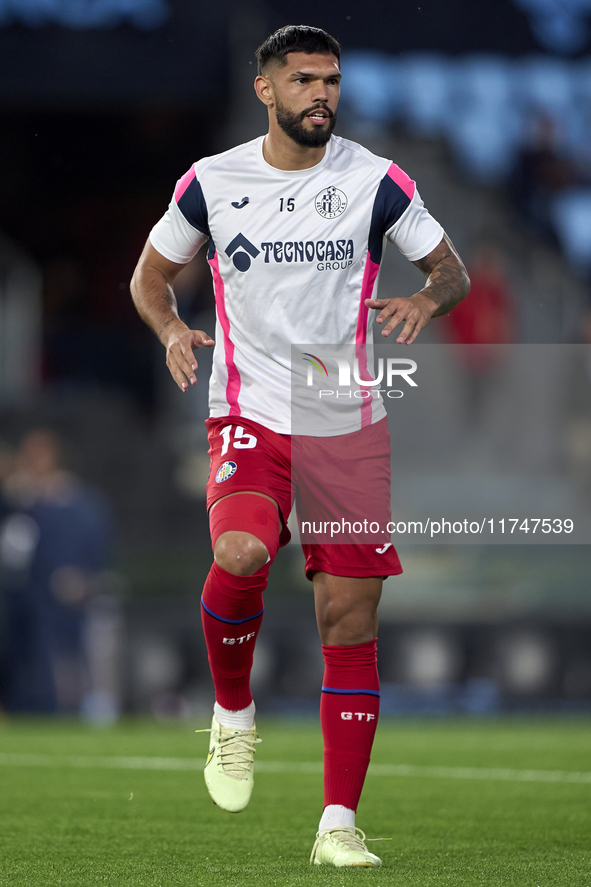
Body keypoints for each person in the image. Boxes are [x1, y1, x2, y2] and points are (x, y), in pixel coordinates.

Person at [131, 25, 469, 868]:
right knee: (241, 550)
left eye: (332, 81)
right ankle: (233, 713)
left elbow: (450, 271)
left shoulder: (375, 181)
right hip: (249, 411)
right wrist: (172, 326)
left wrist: (424, 304)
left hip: (346, 424)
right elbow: (148, 277)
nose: (322, 95)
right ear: (266, 89)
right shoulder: (211, 183)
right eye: (305, 80)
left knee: (348, 618)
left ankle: (337, 824)